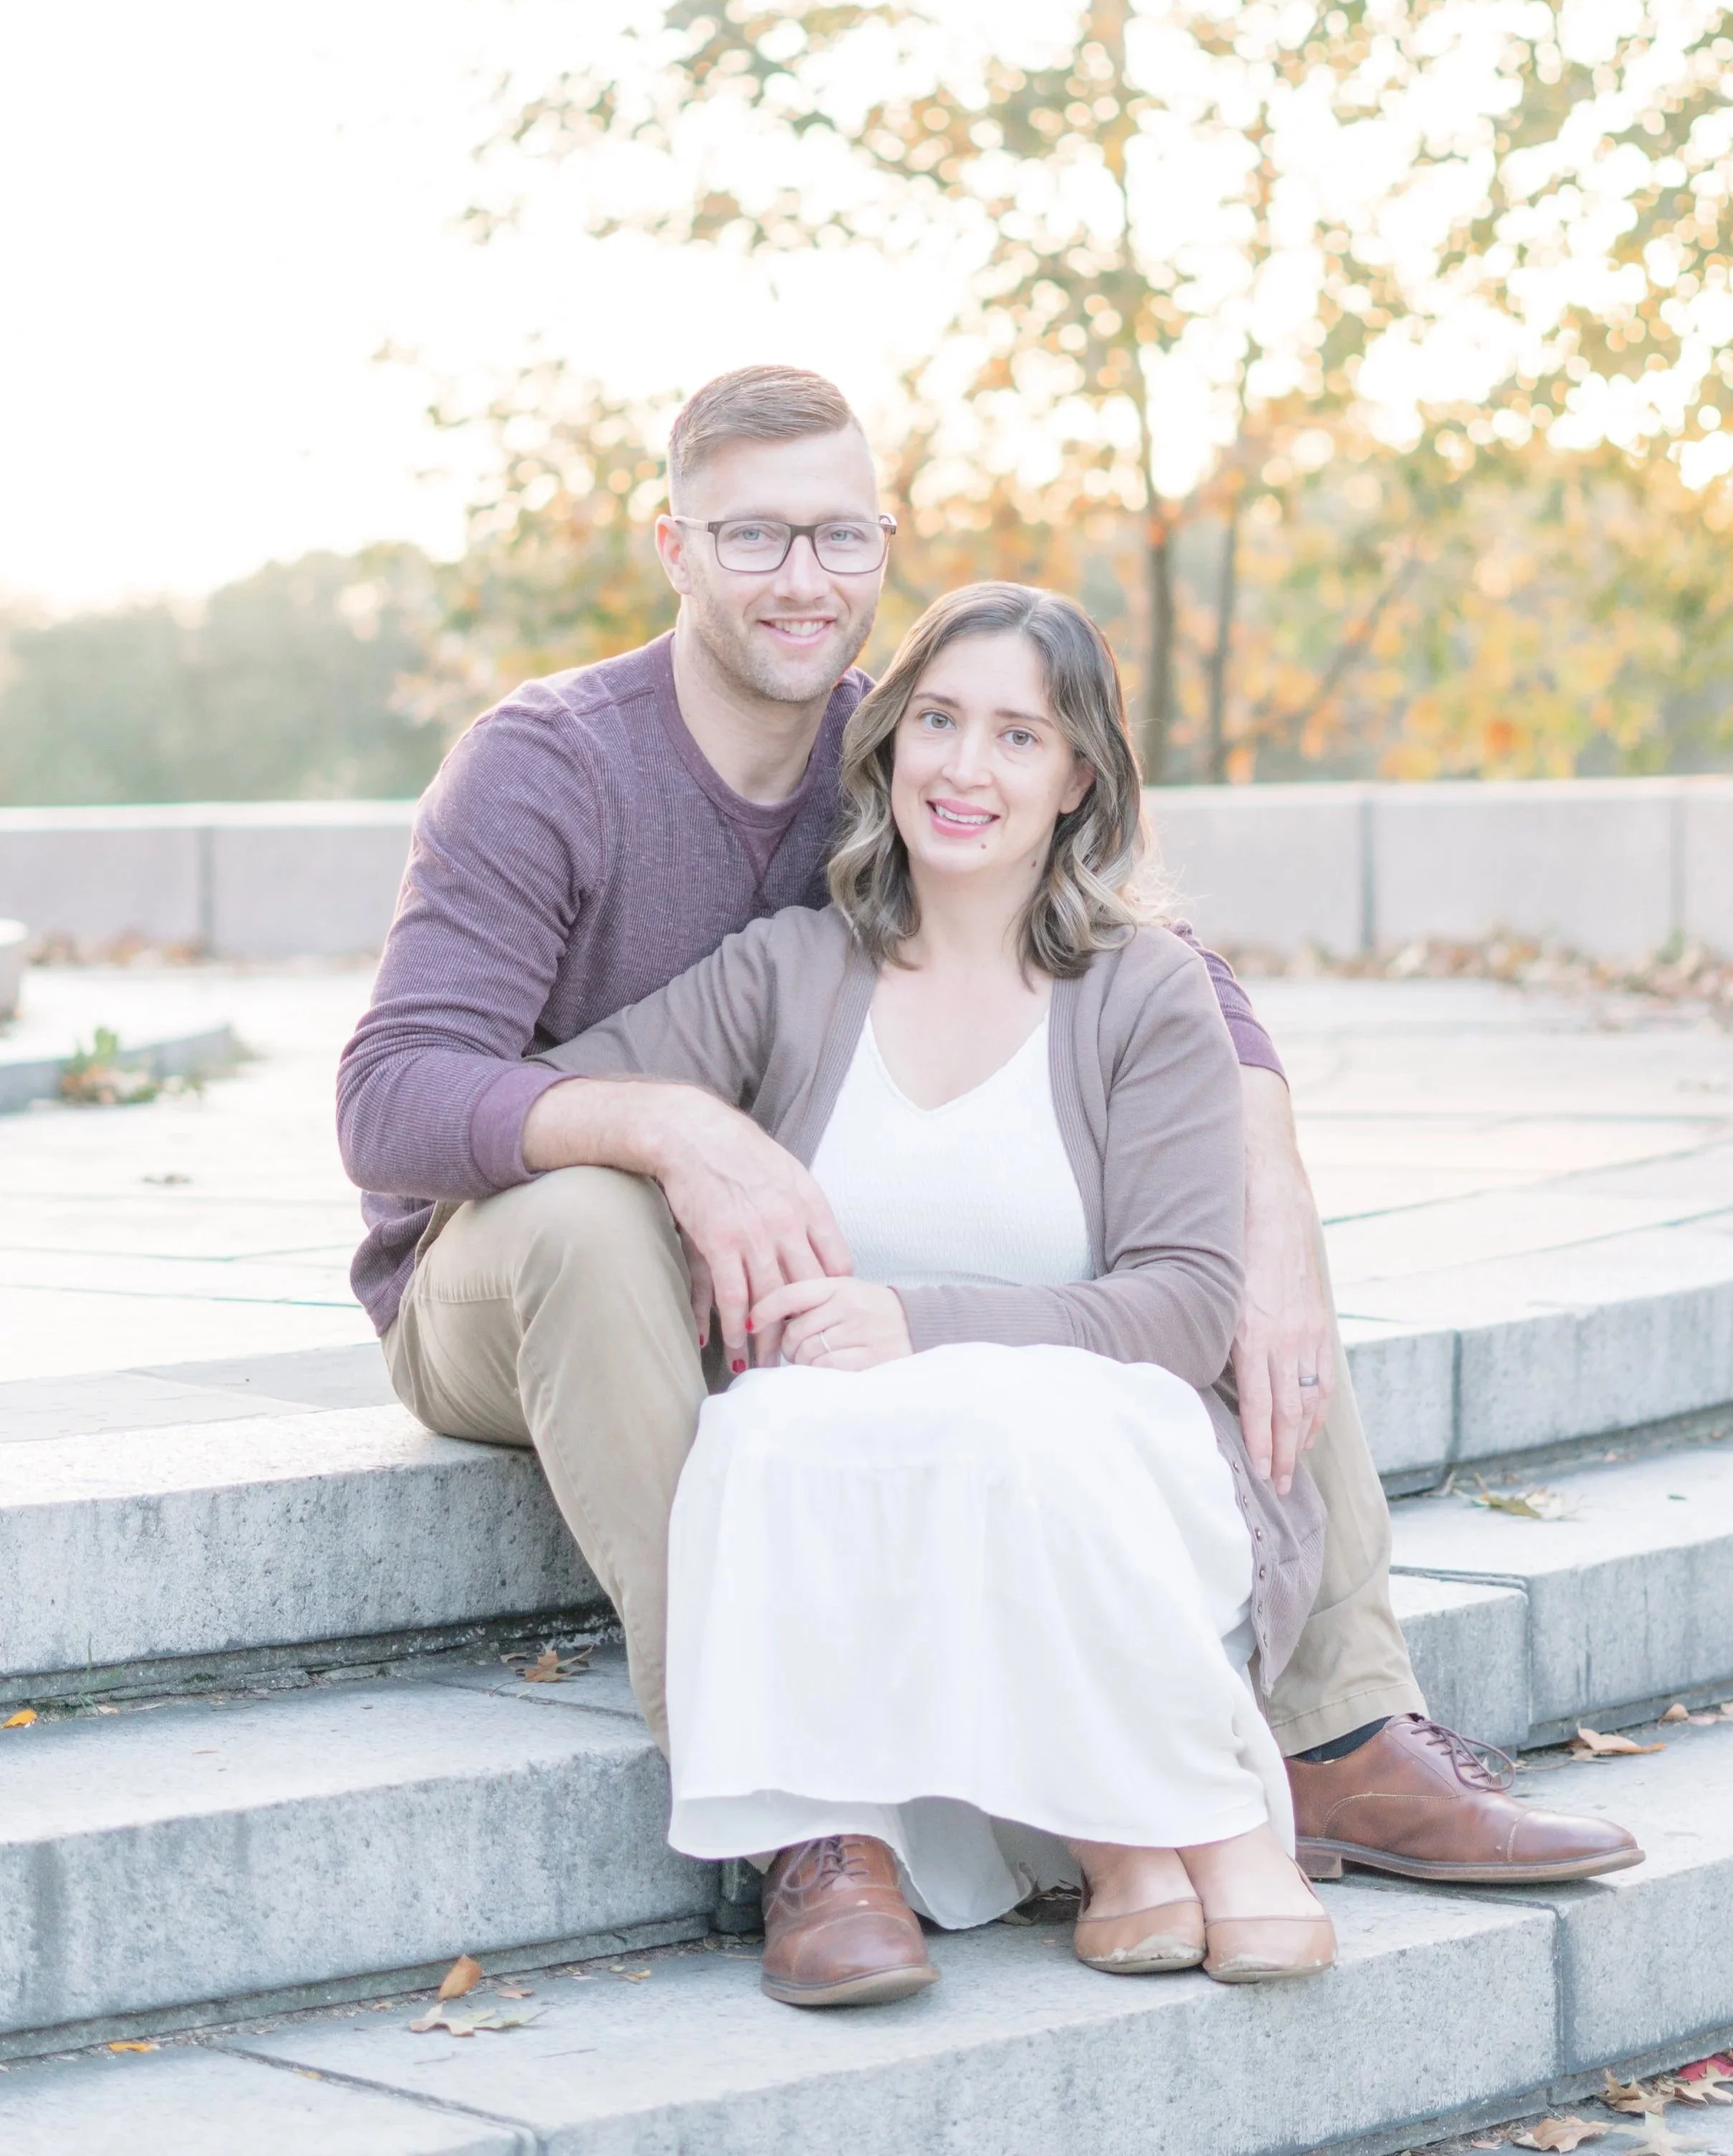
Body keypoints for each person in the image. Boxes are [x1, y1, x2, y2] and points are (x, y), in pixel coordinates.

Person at [336, 366, 1638, 1978]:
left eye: (837, 535)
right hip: (510, 1283)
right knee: (598, 1217)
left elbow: (1163, 972)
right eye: (751, 537)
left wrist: (1276, 1181)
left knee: (1212, 1186)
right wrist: (670, 1129)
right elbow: (389, 1094)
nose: (799, 579)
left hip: (786, 1293)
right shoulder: (546, 766)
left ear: (885, 544)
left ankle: (1337, 1727)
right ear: (670, 542)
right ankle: (806, 1814)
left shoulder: (905, 739)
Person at [543, 580, 1335, 1999]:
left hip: (1113, 1479)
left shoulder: (1144, 989)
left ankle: (1194, 1831)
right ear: (889, 740)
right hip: (877, 1495)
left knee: (997, 1410)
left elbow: (1182, 1308)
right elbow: (553, 1091)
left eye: (1018, 736)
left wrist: (915, 1322)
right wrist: (686, 1137)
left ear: (1077, 775)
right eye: (939, 721)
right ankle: (1142, 1850)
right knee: (766, 1431)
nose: (965, 769)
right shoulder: (788, 973)